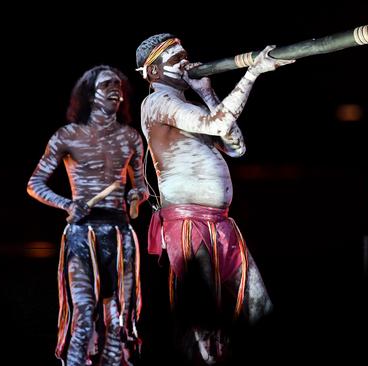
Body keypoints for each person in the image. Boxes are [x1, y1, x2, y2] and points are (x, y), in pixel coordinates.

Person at [134, 33, 293, 364]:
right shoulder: (156, 103)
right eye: (175, 59)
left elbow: (236, 145)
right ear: (153, 72)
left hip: (220, 224)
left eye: (185, 55)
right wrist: (253, 73)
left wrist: (207, 92)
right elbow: (219, 122)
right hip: (189, 225)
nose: (185, 62)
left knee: (256, 306)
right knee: (206, 320)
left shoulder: (188, 108)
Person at [27, 65, 148, 366]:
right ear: (90, 93)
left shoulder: (131, 137)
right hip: (83, 234)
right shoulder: (67, 136)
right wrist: (67, 204)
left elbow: (143, 187)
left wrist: (136, 196)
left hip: (120, 234)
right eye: (107, 84)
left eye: (119, 84)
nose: (116, 89)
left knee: (118, 320)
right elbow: (34, 184)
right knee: (82, 315)